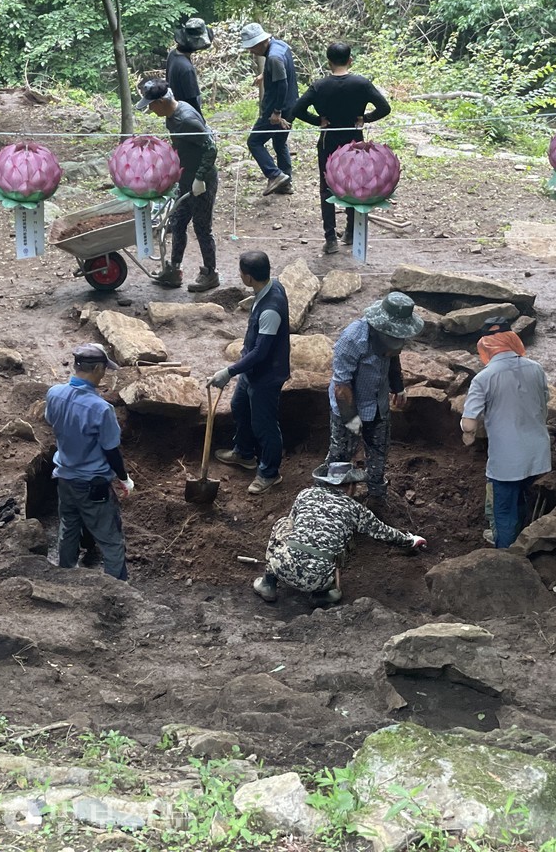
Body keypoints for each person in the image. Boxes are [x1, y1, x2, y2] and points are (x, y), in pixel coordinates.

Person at [252, 463, 426, 605]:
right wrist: (409, 541)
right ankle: (323, 594)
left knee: (284, 523)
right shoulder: (355, 509)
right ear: (350, 486)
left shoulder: (305, 494)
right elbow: (384, 533)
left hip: (283, 567)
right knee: (339, 545)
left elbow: (294, 525)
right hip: (317, 580)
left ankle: (268, 582)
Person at [44, 343, 133, 580]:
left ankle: (65, 576)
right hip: (93, 484)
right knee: (111, 539)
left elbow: (51, 421)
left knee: (69, 527)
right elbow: (111, 451)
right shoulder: (101, 409)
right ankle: (117, 588)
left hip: (64, 477)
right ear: (97, 369)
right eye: (104, 369)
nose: (105, 374)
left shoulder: (54, 394)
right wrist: (124, 478)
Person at [293, 42, 392, 255]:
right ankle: (349, 231)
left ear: (328, 62)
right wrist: (365, 118)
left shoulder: (319, 86)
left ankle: (330, 239)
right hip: (353, 141)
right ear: (350, 60)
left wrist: (317, 120)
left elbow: (297, 109)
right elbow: (385, 107)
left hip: (329, 141)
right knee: (354, 185)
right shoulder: (362, 84)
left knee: (326, 188)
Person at [460, 317, 550, 548]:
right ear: (512, 340)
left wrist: (467, 434)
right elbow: (544, 404)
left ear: (485, 346)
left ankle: (505, 553)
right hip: (538, 454)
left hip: (507, 461)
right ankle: (521, 538)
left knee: (503, 509)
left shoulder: (483, 378)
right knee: (520, 496)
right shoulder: (537, 369)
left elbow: (469, 424)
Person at [327, 292, 424, 507]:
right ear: (379, 329)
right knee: (341, 456)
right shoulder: (352, 339)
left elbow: (394, 356)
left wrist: (398, 388)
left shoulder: (394, 337)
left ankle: (377, 499)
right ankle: (334, 503)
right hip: (349, 408)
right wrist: (352, 421)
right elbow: (341, 388)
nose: (394, 346)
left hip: (378, 406)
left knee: (378, 453)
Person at [210, 251, 291, 493]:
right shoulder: (271, 286)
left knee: (264, 425)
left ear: (248, 277)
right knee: (239, 407)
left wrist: (228, 371)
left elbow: (261, 352)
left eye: (240, 272)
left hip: (266, 376)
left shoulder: (270, 310)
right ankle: (244, 453)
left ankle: (269, 473)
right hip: (252, 371)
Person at [136, 77, 219, 292]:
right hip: (185, 180)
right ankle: (174, 270)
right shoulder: (172, 116)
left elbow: (211, 148)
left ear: (162, 102)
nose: (151, 111)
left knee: (202, 228)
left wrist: (200, 177)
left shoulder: (186, 119)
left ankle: (210, 273)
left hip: (202, 182)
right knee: (178, 223)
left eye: (152, 106)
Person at [238, 22, 298, 196]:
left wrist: (277, 112)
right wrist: (265, 74)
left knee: (254, 142)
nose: (251, 51)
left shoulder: (273, 58)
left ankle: (275, 175)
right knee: (280, 143)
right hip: (292, 105)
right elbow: (282, 70)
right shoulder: (281, 46)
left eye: (252, 47)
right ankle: (286, 183)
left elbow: (282, 85)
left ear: (261, 42)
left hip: (277, 108)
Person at [166, 17, 212, 118]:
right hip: (186, 118)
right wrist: (201, 123)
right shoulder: (186, 68)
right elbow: (192, 101)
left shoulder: (173, 54)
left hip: (175, 116)